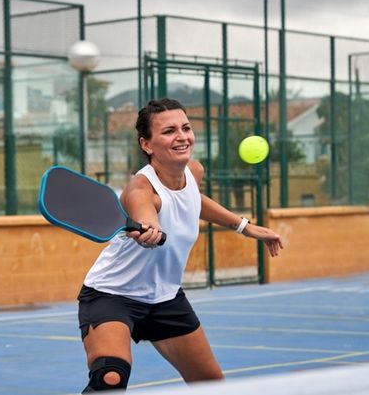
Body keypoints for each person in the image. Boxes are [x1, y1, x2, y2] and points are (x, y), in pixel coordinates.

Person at [77, 98, 283, 392]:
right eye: (169, 131)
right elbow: (144, 210)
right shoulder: (141, 187)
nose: (182, 136)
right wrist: (150, 228)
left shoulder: (193, 172)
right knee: (110, 378)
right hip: (112, 295)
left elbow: (193, 201)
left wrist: (244, 226)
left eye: (186, 128)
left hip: (165, 299)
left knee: (212, 386)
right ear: (147, 144)